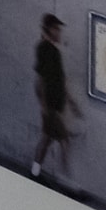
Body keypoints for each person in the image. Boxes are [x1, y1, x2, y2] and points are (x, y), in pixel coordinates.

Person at [32, 13, 79, 182]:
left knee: (46, 139)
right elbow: (40, 81)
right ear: (49, 30)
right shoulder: (45, 50)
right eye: (57, 29)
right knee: (64, 140)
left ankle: (35, 172)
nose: (59, 33)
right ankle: (66, 179)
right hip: (51, 107)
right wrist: (45, 107)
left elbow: (60, 81)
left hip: (54, 105)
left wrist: (71, 103)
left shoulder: (53, 52)